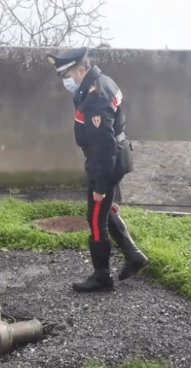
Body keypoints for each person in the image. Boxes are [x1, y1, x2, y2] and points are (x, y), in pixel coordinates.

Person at [46, 47, 148, 292]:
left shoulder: (95, 97)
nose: (65, 81)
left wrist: (101, 186)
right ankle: (135, 256)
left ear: (81, 70)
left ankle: (102, 277)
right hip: (110, 158)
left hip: (105, 162)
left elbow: (105, 146)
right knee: (105, 213)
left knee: (95, 218)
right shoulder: (102, 82)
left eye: (67, 75)